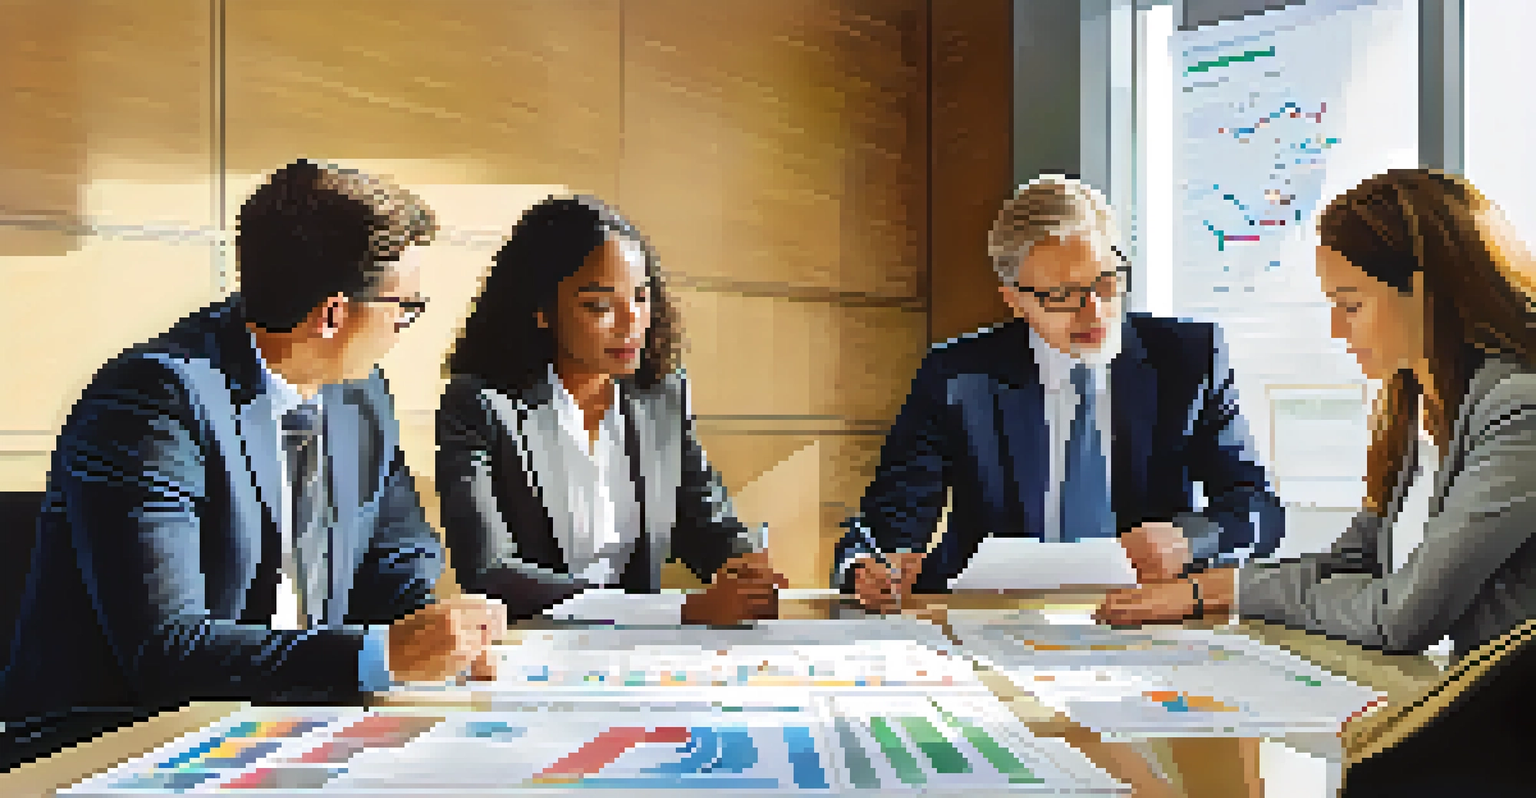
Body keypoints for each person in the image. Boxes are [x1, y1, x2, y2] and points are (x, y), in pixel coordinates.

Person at [0, 160, 506, 769]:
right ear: (333, 314)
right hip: (118, 744)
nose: (404, 325)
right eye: (406, 306)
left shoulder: (359, 394)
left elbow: (395, 555)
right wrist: (380, 655)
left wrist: (432, 624)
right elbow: (169, 652)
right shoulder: (153, 404)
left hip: (288, 729)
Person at [1096, 168, 1536, 663]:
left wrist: (1226, 593)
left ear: (1427, 293)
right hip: (1437, 694)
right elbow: (1358, 559)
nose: (1335, 329)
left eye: (1350, 306)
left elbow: (1402, 616)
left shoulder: (1518, 409)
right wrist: (1210, 589)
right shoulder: (1421, 401)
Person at [834, 175, 1284, 611]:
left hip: (1143, 616)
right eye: (1061, 296)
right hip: (989, 615)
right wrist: (866, 567)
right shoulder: (957, 375)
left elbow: (1258, 510)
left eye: (1106, 283)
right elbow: (886, 526)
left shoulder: (1189, 358)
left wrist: (1191, 539)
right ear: (1014, 300)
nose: (1095, 312)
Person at [437, 194, 784, 624]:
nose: (631, 321)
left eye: (641, 297)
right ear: (541, 310)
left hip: (637, 656)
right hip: (531, 651)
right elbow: (489, 573)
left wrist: (742, 565)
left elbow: (702, 519)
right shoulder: (479, 404)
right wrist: (675, 610)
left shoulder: (661, 395)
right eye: (600, 305)